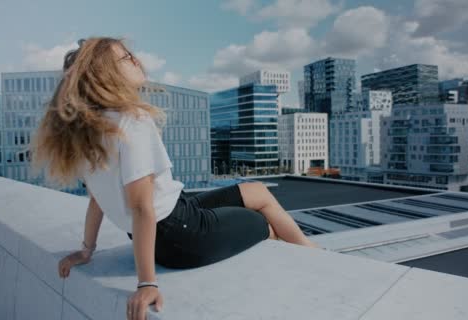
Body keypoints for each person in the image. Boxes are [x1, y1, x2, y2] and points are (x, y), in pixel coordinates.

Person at [29, 36, 319, 320]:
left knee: (256, 192)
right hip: (184, 237)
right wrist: (146, 284)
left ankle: (309, 250)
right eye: (125, 57)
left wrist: (86, 250)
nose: (135, 59)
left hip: (174, 220)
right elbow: (142, 207)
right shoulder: (132, 121)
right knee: (264, 224)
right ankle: (314, 258)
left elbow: (98, 199)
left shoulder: (90, 131)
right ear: (107, 74)